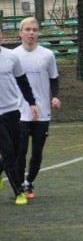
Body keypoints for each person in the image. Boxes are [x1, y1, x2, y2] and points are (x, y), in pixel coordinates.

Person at [14, 17, 61, 200]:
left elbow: (54, 78)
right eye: (28, 29)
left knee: (38, 151)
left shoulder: (47, 55)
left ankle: (29, 182)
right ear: (20, 33)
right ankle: (18, 184)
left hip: (42, 111)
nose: (31, 33)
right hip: (20, 111)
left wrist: (55, 96)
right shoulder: (13, 56)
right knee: (20, 150)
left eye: (34, 29)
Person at [0, 25, 39, 206]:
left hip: (12, 111)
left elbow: (22, 82)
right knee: (8, 153)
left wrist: (31, 103)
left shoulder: (10, 57)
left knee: (16, 151)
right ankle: (18, 192)